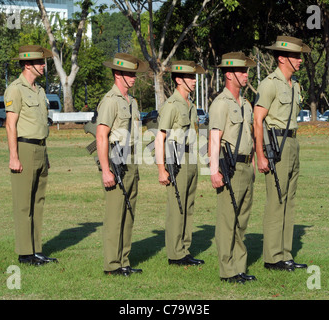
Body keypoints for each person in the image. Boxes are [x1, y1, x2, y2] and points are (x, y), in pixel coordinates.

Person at [253, 36, 311, 271]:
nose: (299, 60)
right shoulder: (269, 84)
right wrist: (260, 155)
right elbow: (257, 121)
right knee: (276, 200)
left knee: (289, 200)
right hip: (275, 144)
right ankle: (272, 257)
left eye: (299, 56)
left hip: (293, 144)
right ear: (281, 58)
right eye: (296, 56)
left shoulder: (295, 85)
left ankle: (285, 254)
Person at [96, 53, 149, 276]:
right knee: (115, 215)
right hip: (116, 162)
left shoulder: (132, 101)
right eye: (129, 74)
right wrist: (106, 169)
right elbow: (101, 135)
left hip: (131, 162)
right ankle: (112, 265)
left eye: (134, 73)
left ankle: (124, 261)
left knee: (128, 213)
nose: (134, 77)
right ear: (118, 74)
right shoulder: (110, 101)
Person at [5, 45, 57, 266]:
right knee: (24, 204)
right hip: (24, 148)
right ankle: (25, 253)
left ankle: (36, 250)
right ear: (28, 64)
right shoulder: (15, 89)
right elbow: (10, 125)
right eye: (40, 62)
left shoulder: (39, 90)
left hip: (40, 148)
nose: (43, 66)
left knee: (38, 201)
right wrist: (14, 156)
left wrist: (44, 154)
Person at [209, 52, 256, 284]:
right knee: (228, 219)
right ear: (229, 75)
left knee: (242, 220)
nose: (246, 75)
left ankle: (239, 267)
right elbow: (214, 138)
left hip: (247, 167)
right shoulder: (220, 103)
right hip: (230, 167)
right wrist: (214, 170)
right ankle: (228, 270)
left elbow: (249, 136)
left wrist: (254, 162)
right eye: (241, 71)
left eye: (246, 71)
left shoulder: (246, 104)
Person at [155, 60, 205, 266]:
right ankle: (176, 254)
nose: (194, 81)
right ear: (178, 80)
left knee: (188, 205)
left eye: (194, 77)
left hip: (191, 157)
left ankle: (184, 249)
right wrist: (161, 169)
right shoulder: (172, 105)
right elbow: (160, 137)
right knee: (177, 205)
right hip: (176, 157)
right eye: (190, 77)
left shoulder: (190, 105)